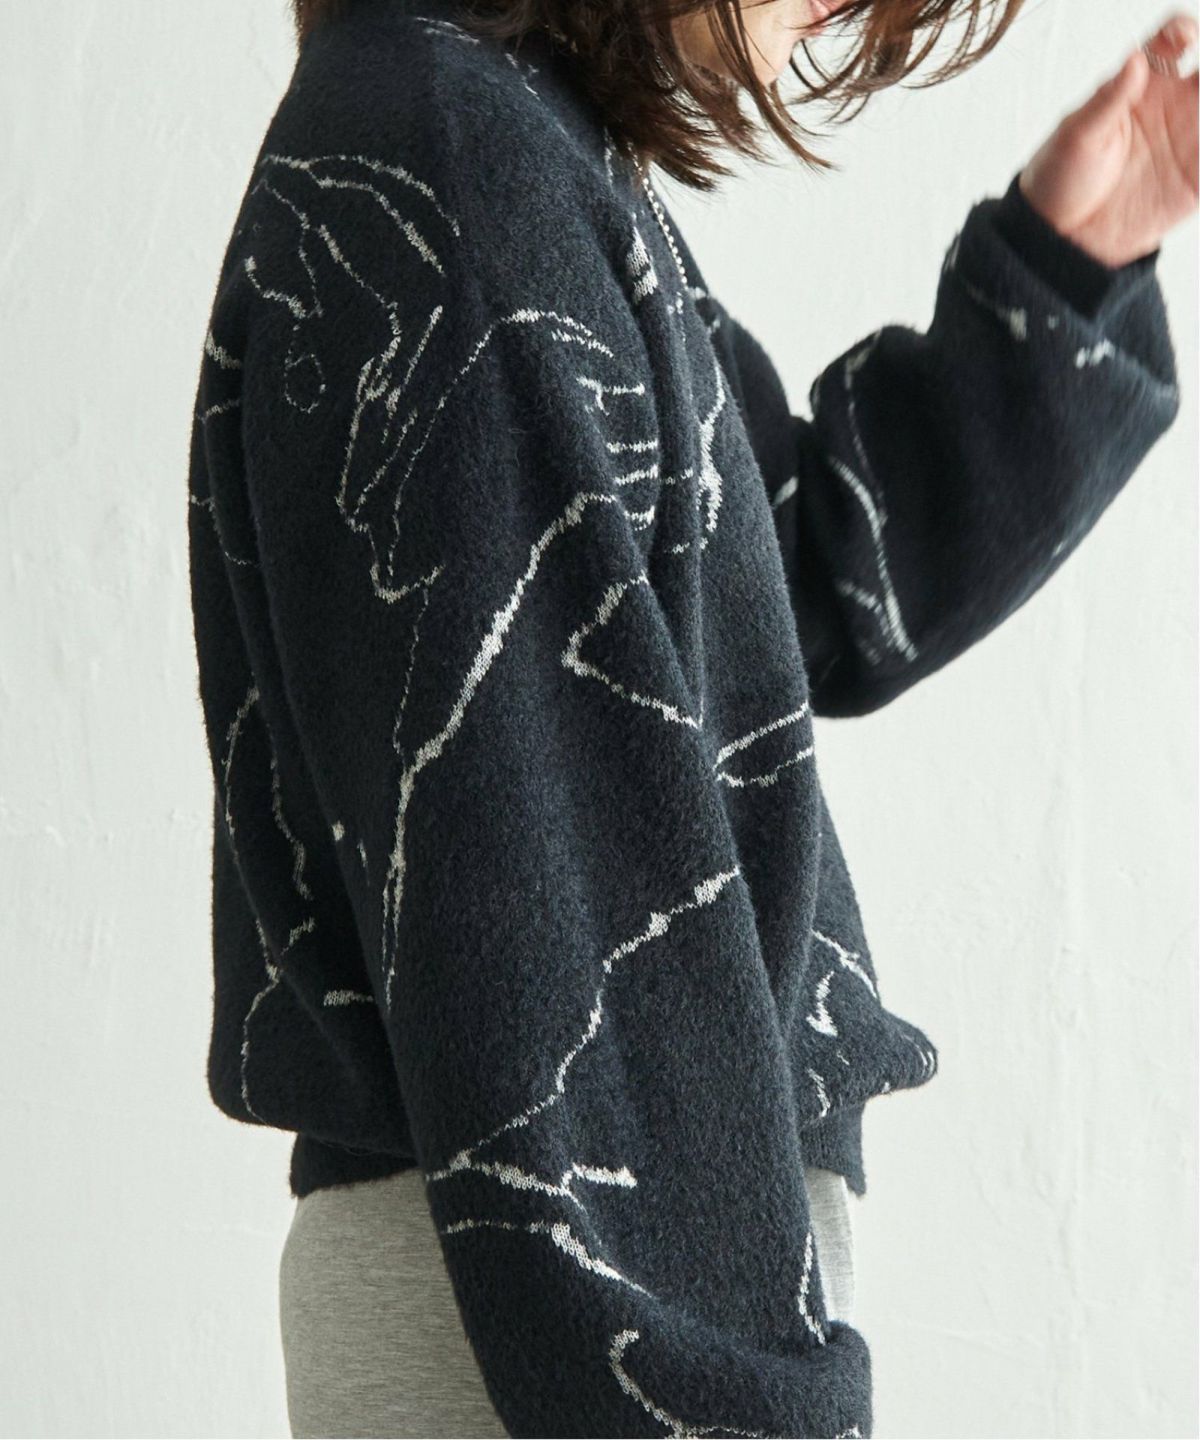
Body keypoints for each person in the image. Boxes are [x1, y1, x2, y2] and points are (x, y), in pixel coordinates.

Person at [186, 0, 1196, 1435]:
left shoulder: (502, 143)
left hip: (587, 1285)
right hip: (570, 1307)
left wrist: (1067, 262)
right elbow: (570, 954)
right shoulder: (464, 176)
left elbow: (788, 588)